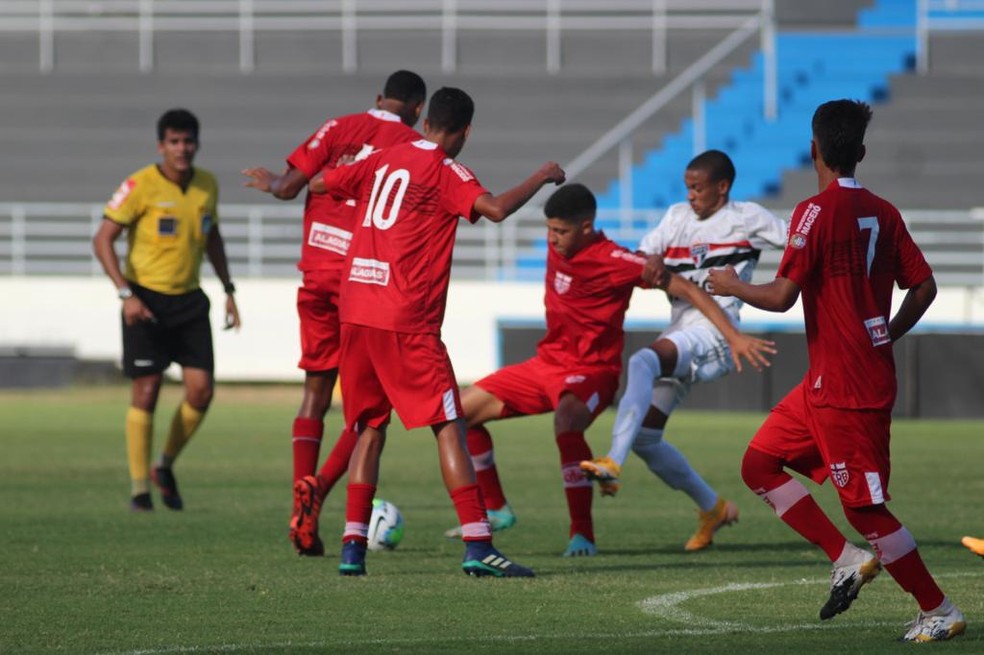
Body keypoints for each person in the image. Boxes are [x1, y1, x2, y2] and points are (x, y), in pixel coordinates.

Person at [707, 99, 966, 642]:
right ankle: (845, 558)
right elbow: (925, 287)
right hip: (827, 382)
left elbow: (780, 297)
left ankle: (939, 609)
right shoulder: (885, 212)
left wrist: (731, 286)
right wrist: (887, 334)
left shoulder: (813, 212)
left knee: (868, 511)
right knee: (760, 464)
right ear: (862, 153)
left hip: (850, 390)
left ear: (813, 150)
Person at [443, 183, 776, 556]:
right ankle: (497, 508)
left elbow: (689, 290)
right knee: (457, 413)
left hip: (592, 371)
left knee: (566, 423)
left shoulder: (614, 260)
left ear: (586, 227)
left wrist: (732, 335)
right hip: (546, 363)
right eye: (549, 230)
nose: (552, 240)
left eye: (561, 232)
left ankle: (582, 533)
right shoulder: (561, 244)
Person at [315, 86, 565, 577]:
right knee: (450, 423)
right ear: (466, 131)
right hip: (404, 318)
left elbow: (325, 183)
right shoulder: (445, 169)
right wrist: (541, 175)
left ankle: (352, 550)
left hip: (356, 308)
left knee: (368, 429)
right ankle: (478, 546)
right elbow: (493, 210)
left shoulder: (387, 157)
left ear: (426, 120)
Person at [241, 70, 427, 557]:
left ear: (377, 98)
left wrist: (269, 184)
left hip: (315, 274)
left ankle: (299, 501)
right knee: (370, 409)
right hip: (361, 282)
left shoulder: (337, 126)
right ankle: (319, 489)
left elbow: (288, 189)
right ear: (418, 110)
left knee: (314, 395)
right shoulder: (409, 144)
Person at [580, 149, 788, 551]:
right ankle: (713, 508)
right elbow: (646, 254)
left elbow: (800, 244)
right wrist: (652, 260)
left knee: (643, 360)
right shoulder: (676, 216)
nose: (691, 195)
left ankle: (611, 461)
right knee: (647, 439)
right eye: (688, 188)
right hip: (681, 332)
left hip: (715, 334)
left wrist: (782, 288)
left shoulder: (748, 217)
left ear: (722, 188)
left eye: (698, 188)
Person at [93, 108, 241, 512]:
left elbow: (212, 238)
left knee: (202, 391)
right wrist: (126, 294)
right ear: (161, 146)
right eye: (174, 142)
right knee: (147, 388)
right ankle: (140, 490)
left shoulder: (207, 185)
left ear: (196, 143)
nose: (182, 149)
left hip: (190, 300)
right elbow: (102, 239)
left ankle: (165, 464)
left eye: (188, 141)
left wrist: (228, 288)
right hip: (145, 300)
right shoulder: (139, 184)